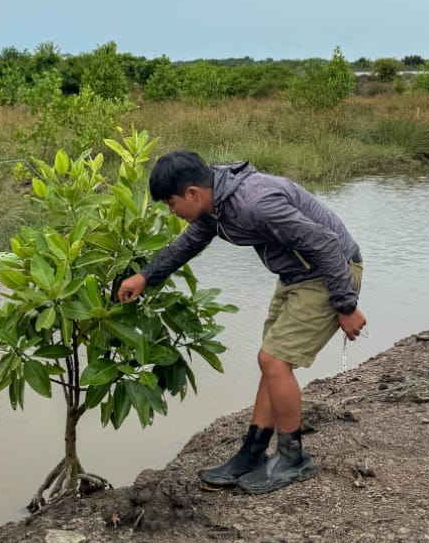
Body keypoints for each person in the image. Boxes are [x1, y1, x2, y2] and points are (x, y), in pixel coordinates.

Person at [117, 152, 366, 495]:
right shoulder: (215, 202)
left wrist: (346, 305)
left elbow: (325, 244)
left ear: (192, 193)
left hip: (330, 271)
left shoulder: (254, 204)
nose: (171, 211)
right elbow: (189, 243)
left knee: (274, 361)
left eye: (171, 203)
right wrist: (146, 276)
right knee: (271, 359)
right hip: (297, 275)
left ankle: (293, 458)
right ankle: (252, 453)